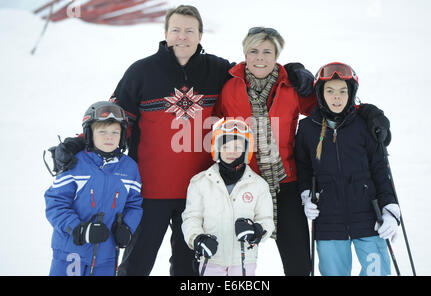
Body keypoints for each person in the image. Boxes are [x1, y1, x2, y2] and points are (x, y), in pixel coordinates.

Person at [47, 6, 391, 276]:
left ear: (200, 34)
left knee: (216, 265)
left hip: (241, 186)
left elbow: (321, 99)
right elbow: (115, 115)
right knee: (155, 263)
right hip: (183, 186)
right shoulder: (164, 73)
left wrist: (366, 110)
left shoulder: (244, 76)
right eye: (176, 30)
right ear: (166, 33)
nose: (183, 36)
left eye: (190, 30)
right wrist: (80, 142)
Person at [213, 27, 394, 276]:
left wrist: (372, 113)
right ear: (245, 52)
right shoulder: (229, 88)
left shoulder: (291, 86)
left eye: (267, 51)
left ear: (277, 54)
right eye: (253, 51)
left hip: (286, 184)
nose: (260, 58)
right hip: (245, 184)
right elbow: (214, 127)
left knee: (299, 265)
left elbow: (333, 108)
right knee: (231, 261)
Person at [294, 62, 400, 276]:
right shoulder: (307, 129)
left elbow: (380, 170)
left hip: (370, 219)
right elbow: (303, 169)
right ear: (320, 93)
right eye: (330, 91)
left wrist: (390, 210)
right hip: (328, 221)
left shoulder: (364, 126)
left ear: (351, 93)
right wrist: (306, 196)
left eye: (343, 91)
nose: (336, 97)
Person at [44, 101, 143, 276]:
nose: (109, 137)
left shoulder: (129, 168)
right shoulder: (75, 164)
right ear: (89, 134)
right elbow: (56, 204)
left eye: (115, 132)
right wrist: (79, 229)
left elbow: (134, 205)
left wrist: (127, 228)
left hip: (106, 257)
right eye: (102, 132)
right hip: (70, 252)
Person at [182, 119, 274, 276]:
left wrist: (255, 231)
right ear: (217, 148)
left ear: (246, 150)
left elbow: (266, 220)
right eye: (226, 146)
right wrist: (197, 239)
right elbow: (192, 218)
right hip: (211, 259)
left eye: (238, 147)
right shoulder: (200, 182)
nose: (231, 152)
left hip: (243, 261)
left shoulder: (258, 185)